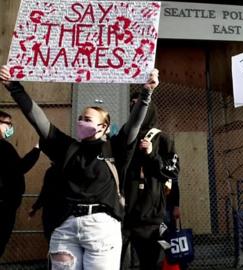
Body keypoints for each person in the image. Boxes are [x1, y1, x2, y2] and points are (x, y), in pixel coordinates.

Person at [0, 64, 159, 269]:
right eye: (80, 118)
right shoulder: (67, 148)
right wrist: (14, 87)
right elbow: (37, 118)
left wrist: (147, 92)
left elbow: (134, 125)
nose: (82, 122)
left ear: (104, 127)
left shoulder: (115, 149)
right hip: (66, 228)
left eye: (88, 119)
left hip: (101, 229)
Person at [121, 92, 179, 270]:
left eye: (139, 104)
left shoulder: (162, 139)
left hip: (150, 217)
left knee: (151, 262)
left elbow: (173, 171)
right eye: (132, 104)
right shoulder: (125, 135)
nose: (135, 108)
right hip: (123, 215)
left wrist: (152, 156)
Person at [0, 111, 40, 257]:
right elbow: (20, 168)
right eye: (8, 124)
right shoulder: (4, 147)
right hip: (3, 206)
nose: (10, 127)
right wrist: (37, 148)